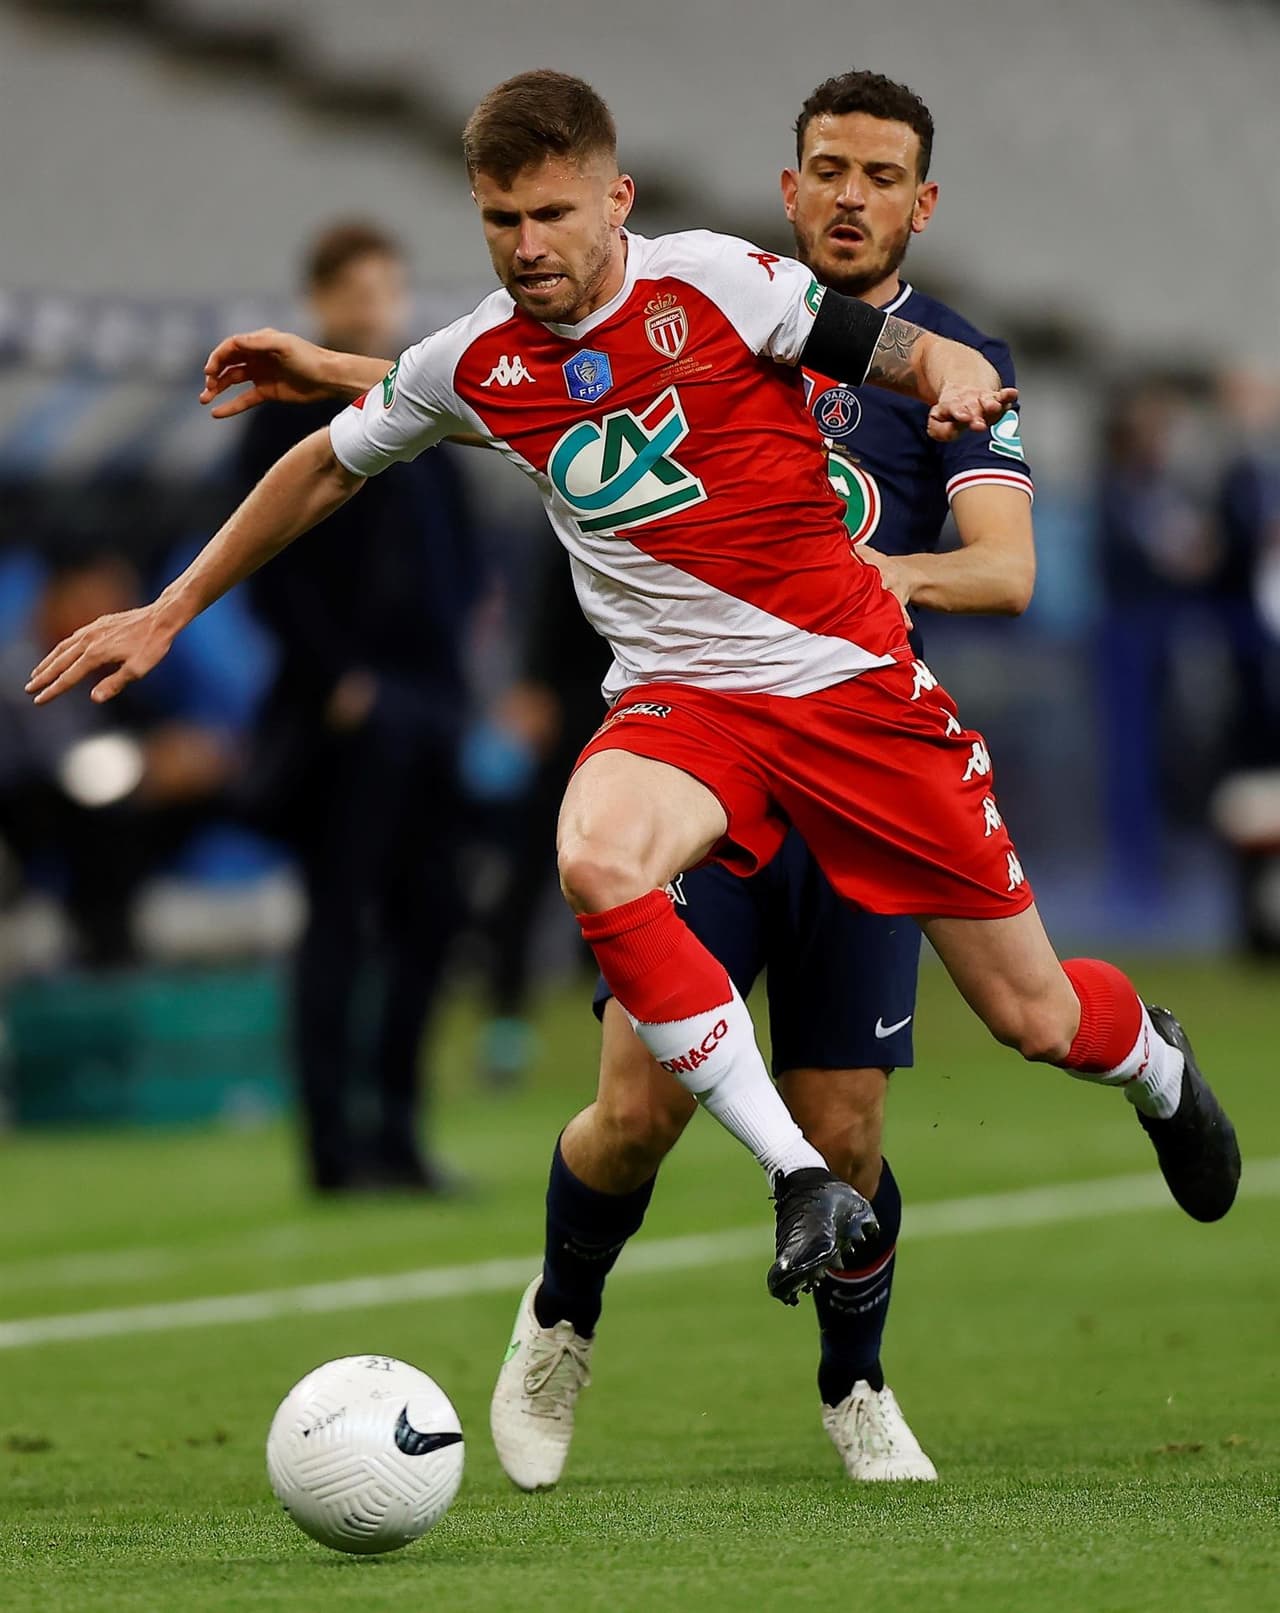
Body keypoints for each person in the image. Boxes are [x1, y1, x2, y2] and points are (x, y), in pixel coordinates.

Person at [28, 68, 1238, 1410]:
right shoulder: (479, 354)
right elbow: (382, 437)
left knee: (1036, 1013)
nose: (526, 242)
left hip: (852, 699)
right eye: (501, 219)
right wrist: (173, 602)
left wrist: (952, 369)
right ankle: (776, 1196)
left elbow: (903, 365)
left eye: (550, 214)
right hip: (686, 709)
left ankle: (1152, 1061)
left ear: (621, 201)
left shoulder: (731, 283)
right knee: (596, 860)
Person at [493, 69, 1038, 1488]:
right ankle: (560, 1317)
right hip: (705, 758)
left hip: (855, 772)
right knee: (636, 1109)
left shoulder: (955, 359)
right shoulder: (702, 312)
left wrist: (870, 579)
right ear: (787, 187)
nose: (849, 198)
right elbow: (488, 374)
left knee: (847, 1130)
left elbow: (1008, 570)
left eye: (879, 177)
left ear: (923, 204)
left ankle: (855, 1385)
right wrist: (329, 372)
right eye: (826, 171)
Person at [236, 221, 484, 1194]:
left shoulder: (423, 418)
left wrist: (460, 682)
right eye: (359, 291)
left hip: (430, 709)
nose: (377, 306)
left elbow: (459, 569)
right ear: (323, 302)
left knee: (430, 919)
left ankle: (400, 1131)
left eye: (389, 288)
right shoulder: (282, 415)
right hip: (343, 716)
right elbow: (263, 565)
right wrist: (335, 676)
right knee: (338, 923)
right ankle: (332, 1148)